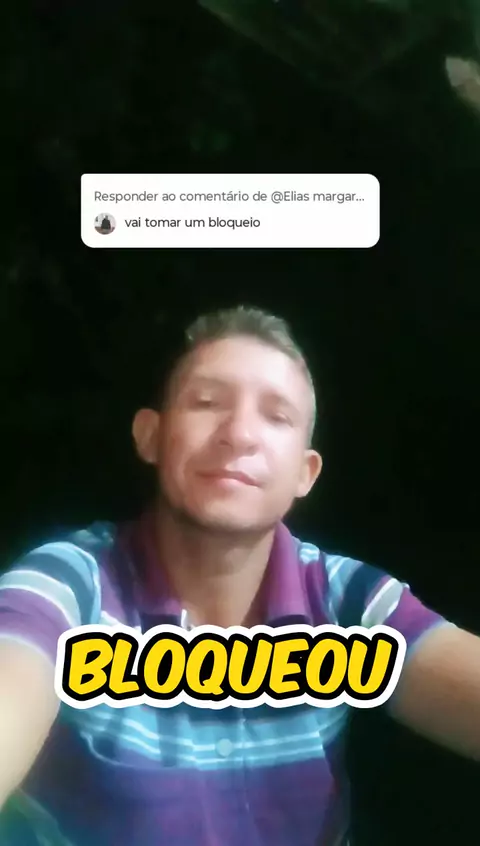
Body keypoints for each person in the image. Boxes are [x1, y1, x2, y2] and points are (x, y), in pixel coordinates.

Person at [0, 305, 478, 846]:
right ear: (150, 436)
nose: (239, 434)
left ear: (305, 473)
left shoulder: (348, 599)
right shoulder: (71, 582)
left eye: (276, 416)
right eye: (207, 403)